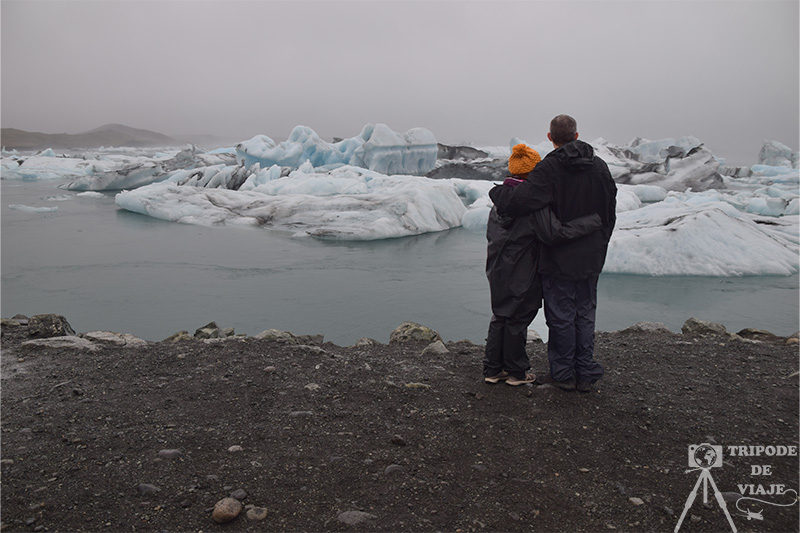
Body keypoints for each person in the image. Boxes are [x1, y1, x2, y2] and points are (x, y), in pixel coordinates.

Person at [489, 115, 617, 392]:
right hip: (590, 257)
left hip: (558, 257)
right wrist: (600, 243)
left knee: (561, 317)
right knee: (584, 314)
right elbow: (609, 213)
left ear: (550, 137)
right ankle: (584, 372)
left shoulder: (549, 168)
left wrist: (498, 194)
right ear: (577, 134)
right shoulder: (600, 167)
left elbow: (522, 201)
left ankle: (563, 375)